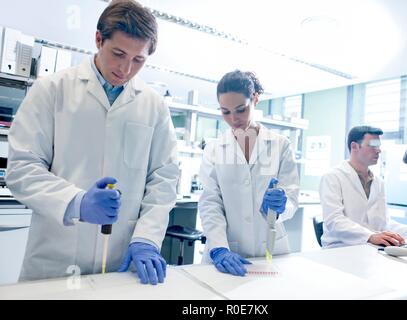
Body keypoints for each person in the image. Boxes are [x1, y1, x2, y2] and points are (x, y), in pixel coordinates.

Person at [6, 0, 179, 285]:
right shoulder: (51, 89)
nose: (125, 69)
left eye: (139, 60)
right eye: (119, 53)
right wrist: (77, 202)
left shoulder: (154, 105)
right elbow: (22, 168)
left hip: (119, 263)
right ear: (99, 39)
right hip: (55, 262)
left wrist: (147, 238)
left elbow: (164, 176)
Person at [198, 70, 300, 276]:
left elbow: (291, 196)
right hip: (227, 249)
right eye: (225, 112)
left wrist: (282, 205)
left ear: (255, 99)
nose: (233, 119)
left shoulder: (280, 145)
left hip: (271, 248)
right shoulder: (214, 149)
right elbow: (210, 202)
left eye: (241, 110)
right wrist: (219, 248)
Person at [319, 125, 407, 248]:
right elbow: (334, 221)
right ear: (354, 146)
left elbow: (384, 223)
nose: (378, 150)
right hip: (339, 249)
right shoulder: (332, 177)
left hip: (370, 249)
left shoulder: (378, 182)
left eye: (378, 146)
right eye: (373, 146)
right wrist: (371, 236)